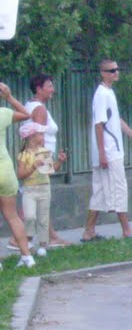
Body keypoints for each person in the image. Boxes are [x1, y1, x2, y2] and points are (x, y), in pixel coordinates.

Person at [81, 59, 132, 242]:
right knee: (118, 188)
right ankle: (126, 229)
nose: (116, 72)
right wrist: (103, 153)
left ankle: (89, 231)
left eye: (117, 69)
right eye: (112, 70)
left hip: (109, 151)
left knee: (101, 191)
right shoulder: (102, 94)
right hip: (109, 152)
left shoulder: (108, 93)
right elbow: (99, 124)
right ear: (103, 73)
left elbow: (116, 120)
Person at [24, 73, 71, 247]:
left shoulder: (30, 105)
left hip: (34, 157)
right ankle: (20, 238)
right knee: (38, 198)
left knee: (37, 198)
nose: (52, 90)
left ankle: (50, 236)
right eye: (49, 86)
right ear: (39, 88)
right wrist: (45, 162)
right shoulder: (40, 109)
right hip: (39, 157)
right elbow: (39, 136)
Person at [0, 82, 36, 268]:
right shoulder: (3, 114)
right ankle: (27, 257)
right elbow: (26, 114)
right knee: (12, 216)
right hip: (5, 171)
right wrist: (9, 97)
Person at [17, 121, 65, 257]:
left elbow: (50, 170)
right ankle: (29, 240)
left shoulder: (45, 152)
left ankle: (43, 245)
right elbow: (20, 175)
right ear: (31, 136)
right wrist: (33, 167)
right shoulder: (24, 154)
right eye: (41, 134)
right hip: (29, 190)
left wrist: (60, 161)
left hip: (44, 188)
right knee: (29, 216)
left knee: (43, 218)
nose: (43, 136)